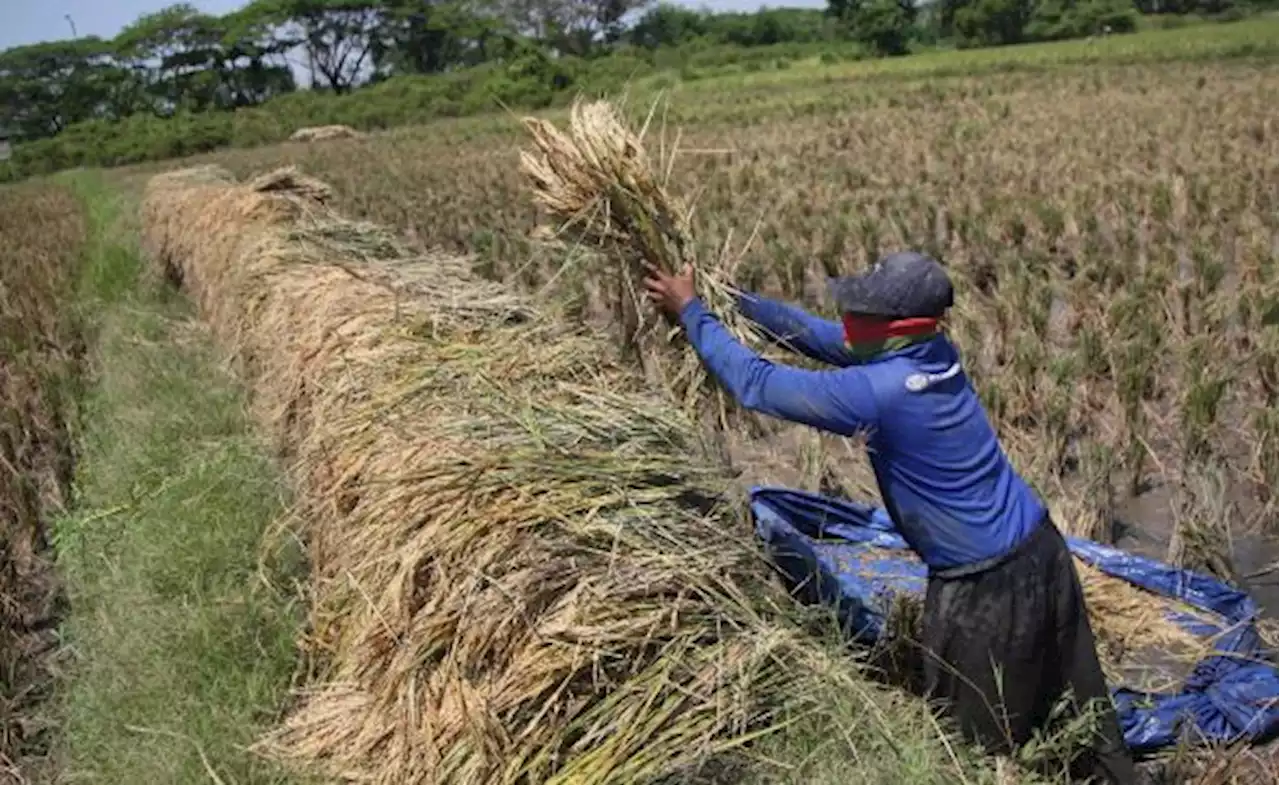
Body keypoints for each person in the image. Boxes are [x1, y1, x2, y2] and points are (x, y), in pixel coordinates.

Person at [642, 251, 1136, 785]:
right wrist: (730, 299)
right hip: (1044, 552)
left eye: (859, 311)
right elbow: (818, 335)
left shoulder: (880, 393)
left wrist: (692, 312)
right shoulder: (930, 350)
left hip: (985, 591)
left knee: (969, 749)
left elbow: (756, 384)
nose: (847, 319)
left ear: (896, 326)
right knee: (1083, 714)